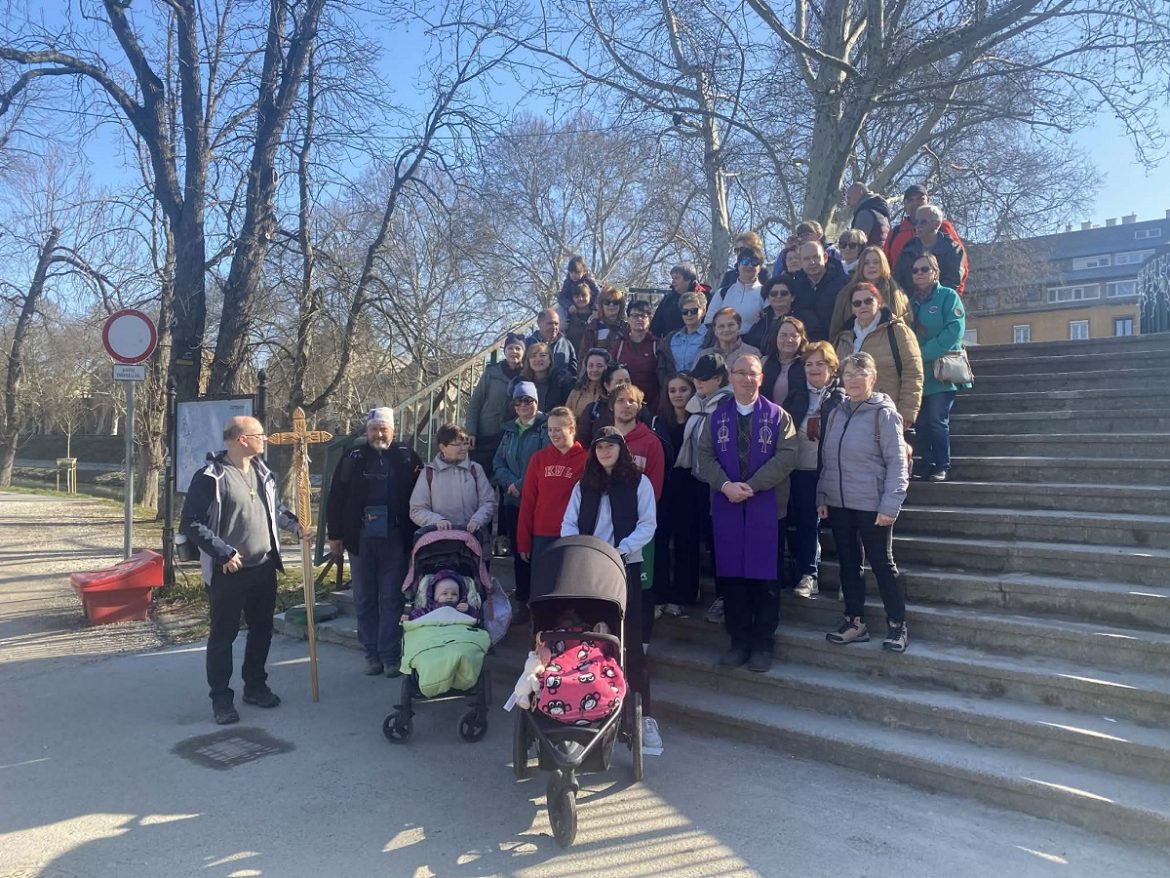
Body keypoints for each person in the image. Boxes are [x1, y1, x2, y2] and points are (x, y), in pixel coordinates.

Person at [181, 415, 302, 725]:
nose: (265, 439)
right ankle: (221, 699)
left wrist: (297, 526)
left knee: (262, 630)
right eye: (260, 435)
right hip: (229, 571)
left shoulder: (263, 472)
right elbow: (190, 523)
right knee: (224, 635)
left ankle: (255, 686)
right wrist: (223, 552)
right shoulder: (211, 476)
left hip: (263, 567)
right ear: (242, 439)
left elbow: (275, 510)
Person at [561, 428, 661, 754]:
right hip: (589, 568)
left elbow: (647, 524)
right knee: (588, 635)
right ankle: (583, 706)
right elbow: (568, 524)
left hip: (624, 566)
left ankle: (644, 716)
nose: (605, 452)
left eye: (611, 446)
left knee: (630, 641)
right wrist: (582, 548)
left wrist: (622, 549)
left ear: (621, 449)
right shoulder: (583, 485)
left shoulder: (639, 483)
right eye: (600, 447)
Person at [697, 354, 797, 673]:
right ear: (730, 377)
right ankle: (738, 642)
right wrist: (726, 485)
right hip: (727, 506)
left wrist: (752, 485)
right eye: (740, 373)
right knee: (733, 580)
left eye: (752, 373)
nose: (746, 379)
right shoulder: (716, 418)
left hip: (767, 508)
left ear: (761, 378)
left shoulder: (779, 417)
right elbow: (704, 457)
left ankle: (763, 644)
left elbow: (787, 456)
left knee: (765, 580)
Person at [816, 352, 910, 652]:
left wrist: (890, 505)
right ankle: (855, 621)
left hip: (872, 504)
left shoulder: (884, 414)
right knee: (848, 563)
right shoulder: (836, 412)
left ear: (873, 378)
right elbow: (828, 457)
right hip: (840, 502)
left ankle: (897, 625)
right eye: (848, 375)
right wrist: (822, 494)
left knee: (882, 564)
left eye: (860, 374)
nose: (853, 380)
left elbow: (897, 463)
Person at [326, 407, 423, 677]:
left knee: (392, 598)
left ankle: (390, 656)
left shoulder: (406, 456)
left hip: (395, 537)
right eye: (373, 429)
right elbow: (336, 497)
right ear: (367, 431)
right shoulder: (353, 457)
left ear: (393, 430)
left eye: (383, 429)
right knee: (365, 598)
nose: (378, 434)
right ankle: (371, 654)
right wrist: (335, 535)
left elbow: (423, 492)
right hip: (360, 537)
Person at [783, 343, 845, 598]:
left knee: (841, 525)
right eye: (809, 364)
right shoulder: (796, 396)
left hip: (832, 471)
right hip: (799, 470)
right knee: (805, 521)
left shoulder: (841, 397)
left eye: (820, 363)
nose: (813, 369)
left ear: (832, 367)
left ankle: (848, 580)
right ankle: (808, 574)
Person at [676, 352, 734, 625]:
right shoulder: (696, 404)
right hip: (696, 481)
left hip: (720, 484)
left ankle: (726, 597)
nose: (698, 382)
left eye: (704, 377)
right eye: (696, 377)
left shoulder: (727, 404)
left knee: (720, 542)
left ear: (719, 379)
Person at [907, 253, 968, 482]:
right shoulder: (910, 303)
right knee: (921, 422)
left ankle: (942, 464)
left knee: (936, 419)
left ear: (936, 273)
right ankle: (926, 463)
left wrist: (923, 353)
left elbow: (954, 330)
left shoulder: (948, 296)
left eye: (925, 269)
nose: (919, 273)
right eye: (915, 270)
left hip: (941, 371)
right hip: (919, 374)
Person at [493, 381, 550, 619]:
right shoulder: (509, 431)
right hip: (513, 501)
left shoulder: (545, 428)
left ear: (536, 402)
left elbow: (546, 460)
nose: (523, 405)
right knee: (519, 552)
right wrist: (510, 483)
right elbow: (498, 462)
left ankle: (541, 600)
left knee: (538, 552)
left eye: (528, 400)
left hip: (538, 501)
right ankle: (523, 599)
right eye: (519, 401)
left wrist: (521, 485)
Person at [832, 282, 924, 428]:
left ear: (879, 302)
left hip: (886, 414)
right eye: (857, 303)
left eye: (868, 301)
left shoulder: (898, 331)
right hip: (848, 415)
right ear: (852, 308)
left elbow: (913, 373)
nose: (863, 306)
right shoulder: (844, 336)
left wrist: (906, 414)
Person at [517, 406, 588, 568]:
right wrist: (524, 541)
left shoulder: (586, 459)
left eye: (558, 429)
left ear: (571, 429)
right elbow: (528, 501)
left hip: (572, 534)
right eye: (550, 430)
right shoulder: (539, 459)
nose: (553, 434)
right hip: (542, 534)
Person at [653, 372, 700, 617]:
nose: (678, 395)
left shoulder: (699, 420)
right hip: (663, 488)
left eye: (683, 389)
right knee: (660, 542)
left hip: (690, 488)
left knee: (686, 542)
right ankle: (660, 595)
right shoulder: (658, 422)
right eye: (673, 390)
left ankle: (682, 596)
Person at [409, 422, 496, 536]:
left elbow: (488, 502)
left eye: (465, 444)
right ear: (442, 447)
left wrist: (478, 520)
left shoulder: (475, 469)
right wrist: (437, 521)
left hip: (473, 537)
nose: (463, 448)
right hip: (440, 539)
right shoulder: (429, 473)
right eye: (457, 445)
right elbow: (417, 510)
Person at [467, 332, 526, 470]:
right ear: (504, 351)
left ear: (524, 352)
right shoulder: (491, 373)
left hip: (511, 436)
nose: (514, 352)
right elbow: (475, 403)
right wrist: (471, 432)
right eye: (510, 348)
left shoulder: (527, 375)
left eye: (518, 348)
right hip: (486, 434)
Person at [829, 245, 911, 340]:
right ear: (861, 266)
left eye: (876, 262)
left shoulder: (896, 292)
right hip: (856, 344)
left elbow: (907, 323)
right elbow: (836, 328)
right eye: (866, 263)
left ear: (883, 264)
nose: (871, 266)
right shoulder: (846, 293)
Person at [885, 184, 965, 271]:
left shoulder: (942, 226)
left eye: (920, 199)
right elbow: (884, 266)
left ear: (928, 201)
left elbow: (961, 264)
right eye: (910, 200)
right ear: (905, 204)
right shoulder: (895, 233)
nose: (915, 203)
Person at [894, 204, 968, 295]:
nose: (918, 226)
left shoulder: (953, 249)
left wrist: (930, 299)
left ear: (937, 224)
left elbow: (952, 282)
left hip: (941, 301)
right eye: (916, 222)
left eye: (923, 222)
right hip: (910, 301)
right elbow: (897, 281)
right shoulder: (908, 250)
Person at [789, 241, 849, 341]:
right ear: (800, 262)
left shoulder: (844, 284)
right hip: (806, 344)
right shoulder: (794, 287)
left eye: (816, 257)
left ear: (825, 257)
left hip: (837, 342)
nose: (812, 262)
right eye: (806, 259)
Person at [706, 245, 766, 334]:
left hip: (754, 341)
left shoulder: (766, 293)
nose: (749, 265)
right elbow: (709, 321)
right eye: (745, 262)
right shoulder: (722, 293)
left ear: (760, 268)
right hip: (723, 340)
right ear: (738, 265)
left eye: (754, 262)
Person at [613, 299, 661, 410]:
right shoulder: (619, 344)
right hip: (624, 404)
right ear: (628, 318)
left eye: (643, 316)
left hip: (651, 405)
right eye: (635, 316)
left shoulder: (657, 345)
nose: (639, 319)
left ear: (650, 319)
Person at [656, 291, 710, 383]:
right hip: (675, 388)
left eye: (693, 311)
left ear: (704, 311)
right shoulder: (671, 338)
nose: (689, 314)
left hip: (701, 388)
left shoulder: (711, 337)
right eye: (685, 311)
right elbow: (662, 368)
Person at [651, 261, 711, 337]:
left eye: (676, 278)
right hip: (671, 341)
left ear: (688, 279)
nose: (673, 281)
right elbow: (656, 326)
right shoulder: (668, 300)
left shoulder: (705, 297)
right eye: (672, 278)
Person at [579, 361, 632, 442]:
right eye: (619, 382)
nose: (624, 385)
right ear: (607, 386)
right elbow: (583, 442)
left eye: (627, 381)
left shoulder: (639, 408)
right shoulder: (593, 410)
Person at [761, 316, 808, 406]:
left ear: (801, 339)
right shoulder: (763, 362)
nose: (789, 340)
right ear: (776, 337)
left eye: (794, 336)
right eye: (783, 335)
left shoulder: (807, 364)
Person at [744, 275, 795, 355]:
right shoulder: (761, 318)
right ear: (768, 298)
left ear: (792, 297)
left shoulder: (800, 320)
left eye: (784, 293)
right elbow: (749, 341)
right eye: (773, 294)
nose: (778, 296)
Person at [517, 341, 574, 412]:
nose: (538, 359)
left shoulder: (561, 381)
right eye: (533, 356)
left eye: (542, 355)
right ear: (528, 361)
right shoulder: (521, 383)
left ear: (550, 359)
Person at [706, 307, 761, 372]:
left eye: (731, 325)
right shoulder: (704, 355)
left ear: (739, 326)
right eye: (721, 326)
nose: (726, 329)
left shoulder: (753, 353)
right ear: (715, 330)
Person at [579, 287, 629, 356]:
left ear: (620, 305)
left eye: (615, 302)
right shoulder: (592, 328)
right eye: (607, 302)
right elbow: (583, 355)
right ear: (601, 305)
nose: (611, 305)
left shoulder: (627, 328)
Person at [528, 308, 578, 375]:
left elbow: (574, 372)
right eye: (550, 323)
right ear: (539, 323)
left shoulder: (566, 344)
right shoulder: (527, 344)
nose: (554, 327)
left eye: (556, 324)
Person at [403, 571, 472, 620]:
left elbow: (475, 619)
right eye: (445, 593)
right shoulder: (429, 610)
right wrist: (408, 618)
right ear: (434, 595)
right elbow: (416, 616)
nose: (450, 597)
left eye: (454, 594)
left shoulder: (461, 609)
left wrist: (469, 610)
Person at [565, 348, 610, 421]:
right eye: (591, 366)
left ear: (607, 367)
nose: (594, 369)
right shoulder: (576, 391)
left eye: (599, 366)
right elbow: (566, 417)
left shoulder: (611, 391)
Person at [845, 182, 892, 248]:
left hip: (868, 253)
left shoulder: (865, 214)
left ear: (859, 193)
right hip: (879, 253)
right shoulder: (882, 214)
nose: (847, 202)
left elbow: (856, 244)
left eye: (849, 197)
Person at [556, 255, 602, 321]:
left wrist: (595, 308)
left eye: (577, 272)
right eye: (571, 272)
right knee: (560, 308)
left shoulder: (589, 279)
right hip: (572, 305)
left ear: (584, 271)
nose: (573, 275)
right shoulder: (568, 282)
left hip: (590, 304)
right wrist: (569, 305)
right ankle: (562, 324)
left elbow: (598, 293)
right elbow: (561, 297)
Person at [564, 282, 594, 353]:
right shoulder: (567, 318)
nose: (580, 299)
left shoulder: (597, 316)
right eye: (577, 296)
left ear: (590, 296)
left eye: (584, 295)